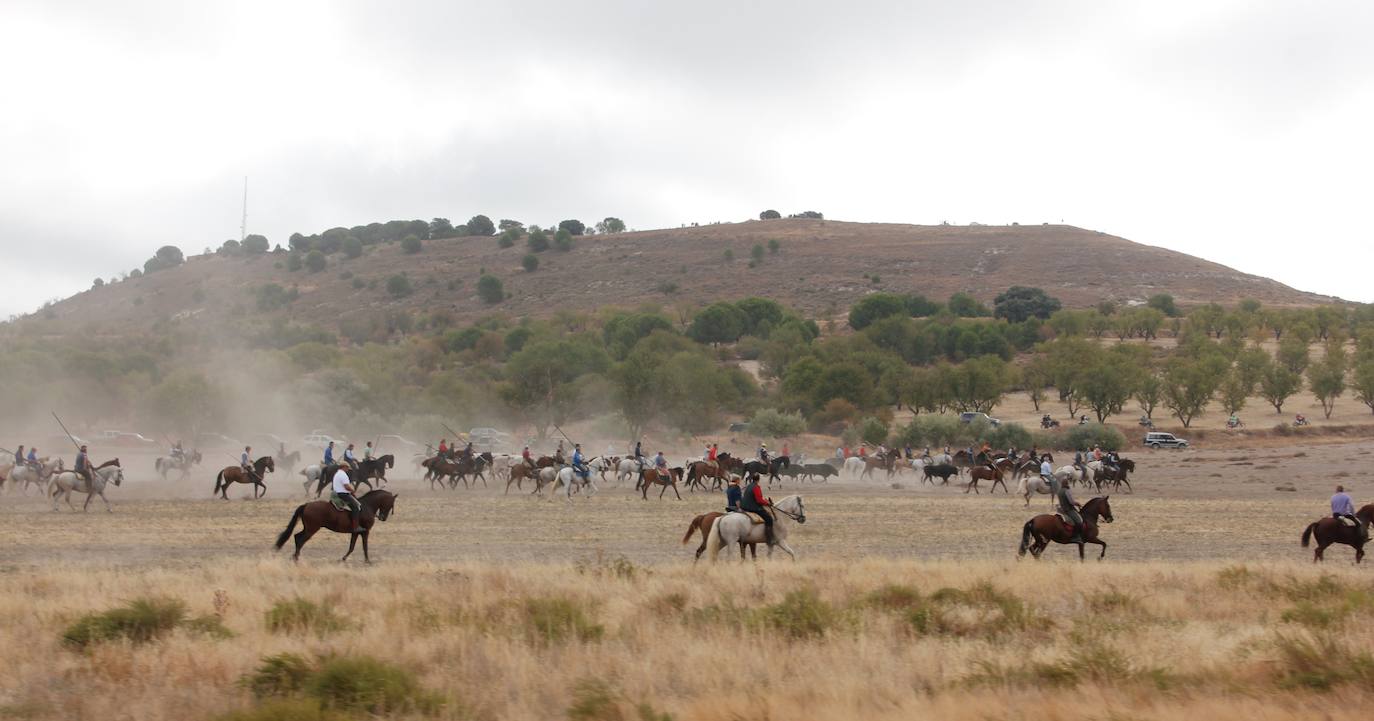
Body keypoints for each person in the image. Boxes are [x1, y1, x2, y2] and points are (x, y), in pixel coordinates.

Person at [1045, 455, 1083, 543]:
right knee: (1079, 521)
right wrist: (1078, 503)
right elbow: (1071, 502)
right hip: (1068, 509)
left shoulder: (1059, 490)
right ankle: (1076, 536)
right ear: (1067, 483)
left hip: (1061, 508)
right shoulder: (1066, 491)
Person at [739, 472, 776, 545]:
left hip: (744, 506)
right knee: (769, 519)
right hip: (753, 507)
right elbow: (759, 500)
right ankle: (769, 538)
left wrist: (764, 500)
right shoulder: (756, 487)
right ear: (758, 479)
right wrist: (767, 503)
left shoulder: (749, 486)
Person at [331, 465, 366, 534]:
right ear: (344, 467)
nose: (348, 469)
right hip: (343, 494)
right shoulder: (343, 475)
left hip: (336, 493)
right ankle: (355, 527)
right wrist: (352, 490)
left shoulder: (337, 474)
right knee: (356, 507)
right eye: (347, 468)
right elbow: (346, 486)